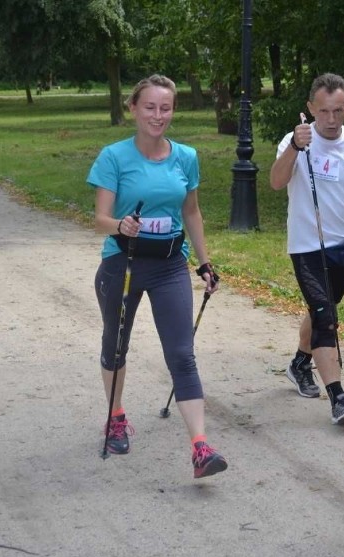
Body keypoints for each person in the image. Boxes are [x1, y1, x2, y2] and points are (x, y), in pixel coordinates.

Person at [88, 74, 227, 479]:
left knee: (182, 353)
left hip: (169, 265)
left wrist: (204, 262)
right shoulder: (114, 157)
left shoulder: (186, 156)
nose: (157, 115)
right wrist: (121, 226)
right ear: (133, 108)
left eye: (165, 108)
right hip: (123, 263)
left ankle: (200, 447)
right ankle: (115, 416)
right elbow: (99, 219)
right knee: (116, 345)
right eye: (149, 107)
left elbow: (191, 212)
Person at [269, 73, 344, 425]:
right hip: (307, 246)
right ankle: (339, 399)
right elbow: (276, 183)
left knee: (323, 309)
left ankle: (299, 364)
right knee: (326, 317)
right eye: (324, 112)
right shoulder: (294, 142)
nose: (332, 120)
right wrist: (294, 145)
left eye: (339, 111)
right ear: (310, 109)